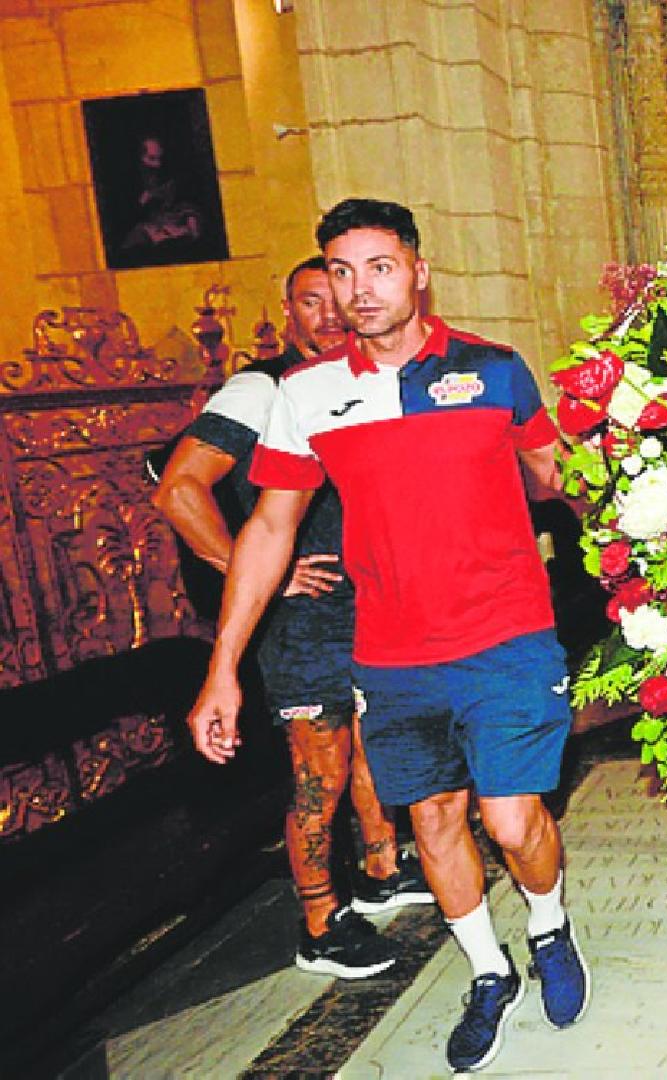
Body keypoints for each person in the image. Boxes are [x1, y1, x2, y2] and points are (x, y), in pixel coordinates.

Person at [185, 199, 589, 1073]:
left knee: (513, 821)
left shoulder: (494, 370)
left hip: (507, 633)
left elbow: (560, 475)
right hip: (393, 653)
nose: (358, 289)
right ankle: (490, 971)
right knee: (434, 820)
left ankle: (550, 926)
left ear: (417, 270)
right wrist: (223, 668)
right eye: (340, 270)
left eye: (378, 267)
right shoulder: (308, 393)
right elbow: (266, 530)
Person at [155, 257, 433, 979]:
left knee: (374, 747)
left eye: (335, 295)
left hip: (367, 604)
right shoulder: (260, 387)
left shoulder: (348, 384)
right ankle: (319, 921)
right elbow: (180, 489)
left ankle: (379, 871)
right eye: (308, 300)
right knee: (321, 772)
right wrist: (257, 577)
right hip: (304, 623)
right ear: (288, 312)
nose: (328, 312)